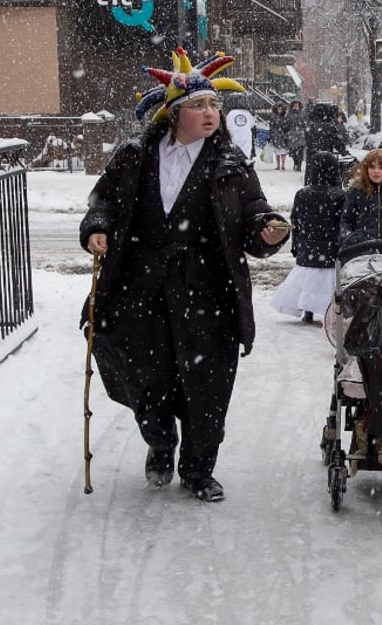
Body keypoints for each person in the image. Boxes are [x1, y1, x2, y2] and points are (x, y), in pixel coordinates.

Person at [79, 47, 290, 503]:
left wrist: (266, 231)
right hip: (142, 283)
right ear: (174, 113)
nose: (210, 112)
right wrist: (97, 228)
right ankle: (159, 440)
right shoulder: (136, 155)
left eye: (214, 104)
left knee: (207, 383)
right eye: (198, 105)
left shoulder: (231, 165)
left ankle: (198, 468)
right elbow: (105, 202)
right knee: (146, 374)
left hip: (208, 288)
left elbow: (252, 213)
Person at [270, 150, 344, 324]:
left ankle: (308, 311)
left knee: (307, 282)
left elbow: (295, 222)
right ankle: (330, 313)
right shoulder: (340, 195)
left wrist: (296, 244)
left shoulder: (302, 194)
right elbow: (341, 224)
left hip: (308, 247)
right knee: (328, 284)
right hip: (330, 247)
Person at [339, 148, 382, 248]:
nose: (376, 171)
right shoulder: (357, 191)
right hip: (361, 249)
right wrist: (349, 238)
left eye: (381, 167)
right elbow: (346, 220)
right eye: (372, 167)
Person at [285, 99, 308, 172]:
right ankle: (295, 162)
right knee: (293, 151)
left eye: (297, 105)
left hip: (300, 134)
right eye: (294, 105)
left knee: (300, 150)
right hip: (292, 133)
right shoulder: (289, 113)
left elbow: (305, 122)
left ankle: (299, 165)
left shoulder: (303, 113)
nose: (296, 106)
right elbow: (287, 122)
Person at [268, 101, 289, 170]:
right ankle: (278, 165)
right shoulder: (273, 117)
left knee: (283, 150)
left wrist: (283, 129)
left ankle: (283, 165)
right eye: (279, 109)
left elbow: (287, 126)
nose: (280, 110)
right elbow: (271, 126)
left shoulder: (285, 117)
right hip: (276, 135)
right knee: (277, 151)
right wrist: (274, 131)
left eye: (281, 109)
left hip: (283, 136)